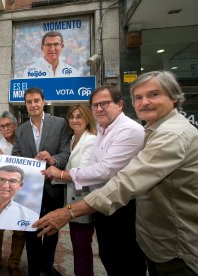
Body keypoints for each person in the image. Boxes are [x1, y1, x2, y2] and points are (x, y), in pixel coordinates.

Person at [35, 71, 198, 275]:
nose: (145, 102)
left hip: (171, 243)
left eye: (154, 94)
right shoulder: (118, 129)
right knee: (111, 259)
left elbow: (118, 178)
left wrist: (68, 209)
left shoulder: (167, 134)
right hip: (143, 229)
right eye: (138, 97)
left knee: (122, 264)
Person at [39, 85, 147, 275]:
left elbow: (104, 170)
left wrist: (61, 174)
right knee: (107, 255)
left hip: (119, 206)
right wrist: (54, 165)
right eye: (95, 105)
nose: (99, 109)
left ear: (120, 104)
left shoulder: (128, 129)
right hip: (100, 204)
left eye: (104, 103)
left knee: (120, 259)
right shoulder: (98, 131)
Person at [12, 87, 70, 276]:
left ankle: (48, 265)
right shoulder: (20, 131)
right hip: (29, 190)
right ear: (25, 105)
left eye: (36, 100)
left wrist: (52, 160)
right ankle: (34, 268)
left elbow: (66, 153)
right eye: (29, 102)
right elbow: (16, 155)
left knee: (52, 229)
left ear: (43, 101)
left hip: (53, 187)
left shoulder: (60, 123)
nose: (33, 105)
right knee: (31, 230)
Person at [59, 104, 97, 276]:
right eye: (72, 116)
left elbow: (83, 174)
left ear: (87, 118)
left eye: (79, 116)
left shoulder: (91, 140)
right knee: (77, 245)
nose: (74, 120)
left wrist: (58, 174)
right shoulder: (73, 139)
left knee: (82, 247)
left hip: (85, 202)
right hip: (73, 200)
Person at [0, 111, 25, 276]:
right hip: (2, 195)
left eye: (7, 125)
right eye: (1, 126)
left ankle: (14, 264)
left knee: (19, 231)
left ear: (15, 124)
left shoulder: (26, 141)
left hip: (23, 192)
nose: (4, 129)